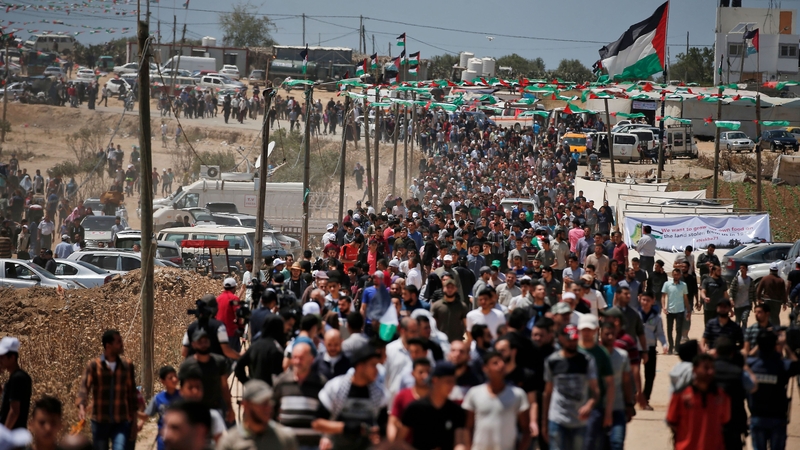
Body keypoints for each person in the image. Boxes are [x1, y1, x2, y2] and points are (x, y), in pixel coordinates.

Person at [312, 343, 390, 450]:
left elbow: (384, 426)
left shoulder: (379, 393)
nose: (377, 370)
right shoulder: (335, 387)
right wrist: (346, 428)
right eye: (373, 365)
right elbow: (317, 423)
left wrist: (377, 434)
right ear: (360, 366)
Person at [77, 330, 138, 450]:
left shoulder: (127, 366)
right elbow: (84, 389)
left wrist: (134, 422)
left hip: (121, 420)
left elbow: (132, 395)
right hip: (100, 421)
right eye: (118, 342)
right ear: (108, 346)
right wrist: (82, 408)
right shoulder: (94, 366)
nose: (122, 344)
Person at [542, 324, 599, 450]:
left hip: (579, 421)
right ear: (561, 339)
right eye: (569, 340)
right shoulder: (552, 361)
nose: (573, 343)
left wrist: (589, 405)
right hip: (557, 419)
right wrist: (544, 424)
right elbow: (547, 393)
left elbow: (595, 391)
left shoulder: (586, 360)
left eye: (574, 340)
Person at [463, 351, 531, 450]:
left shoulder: (518, 395)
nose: (501, 365)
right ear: (485, 368)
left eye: (503, 362)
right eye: (495, 363)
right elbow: (468, 427)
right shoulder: (474, 393)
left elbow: (526, 430)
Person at [746, 330, 800, 450]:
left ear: (759, 345)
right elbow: (796, 365)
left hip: (757, 416)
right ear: (775, 345)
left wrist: (757, 346)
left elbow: (744, 360)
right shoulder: (782, 365)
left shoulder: (752, 365)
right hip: (777, 417)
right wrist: (785, 345)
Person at [398, 361, 467, 450]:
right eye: (448, 381)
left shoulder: (456, 411)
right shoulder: (415, 408)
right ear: (435, 380)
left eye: (453, 382)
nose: (452, 386)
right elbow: (399, 440)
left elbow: (460, 442)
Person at [667, 354, 730, 450]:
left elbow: (724, 421)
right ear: (694, 369)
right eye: (706, 368)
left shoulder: (721, 396)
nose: (710, 371)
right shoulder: (681, 395)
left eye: (712, 368)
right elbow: (672, 421)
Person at [272, 341, 327, 448]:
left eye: (301, 358)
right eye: (295, 357)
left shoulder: (321, 383)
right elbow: (272, 410)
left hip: (313, 445)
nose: (297, 361)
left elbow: (329, 414)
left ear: (311, 360)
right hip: (286, 445)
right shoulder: (282, 382)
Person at [218, 380, 298, 450]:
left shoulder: (285, 438)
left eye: (269, 402)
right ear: (245, 405)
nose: (268, 408)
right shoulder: (230, 442)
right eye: (262, 403)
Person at [179, 329, 234, 425]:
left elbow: (224, 386)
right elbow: (183, 391)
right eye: (200, 342)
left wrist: (230, 408)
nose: (203, 345)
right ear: (193, 345)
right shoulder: (187, 366)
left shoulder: (219, 362)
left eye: (205, 341)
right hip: (195, 411)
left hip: (215, 408)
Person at [576, 315, 614, 450]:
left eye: (589, 330)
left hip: (595, 408)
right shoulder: (572, 350)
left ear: (596, 330)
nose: (586, 333)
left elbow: (610, 384)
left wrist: (608, 412)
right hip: (572, 407)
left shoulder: (601, 353)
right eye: (584, 329)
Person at [599, 322, 634, 450]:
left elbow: (626, 382)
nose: (609, 337)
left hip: (618, 408)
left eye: (612, 334)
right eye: (606, 334)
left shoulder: (622, 356)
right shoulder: (593, 356)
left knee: (617, 444)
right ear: (600, 334)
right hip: (598, 410)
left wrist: (629, 404)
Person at [138, 366, 181, 450]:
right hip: (164, 440)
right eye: (170, 378)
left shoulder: (183, 397)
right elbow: (145, 416)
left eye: (175, 376)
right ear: (163, 381)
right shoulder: (158, 398)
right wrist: (132, 412)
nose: (174, 379)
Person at [638, 291, 667, 410]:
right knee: (632, 373)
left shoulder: (656, 316)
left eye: (648, 300)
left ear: (652, 301)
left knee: (650, 375)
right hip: (635, 348)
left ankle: (645, 400)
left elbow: (660, 333)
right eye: (643, 300)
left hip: (650, 348)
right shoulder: (635, 315)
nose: (645, 302)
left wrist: (664, 344)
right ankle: (631, 399)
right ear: (640, 300)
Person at [0, 337, 31, 430]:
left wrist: (4, 435)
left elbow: (14, 411)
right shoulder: (16, 377)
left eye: (2, 357)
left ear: (12, 357)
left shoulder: (18, 378)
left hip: (13, 435)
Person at [662, 268, 690, 354]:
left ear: (680, 275)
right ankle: (671, 346)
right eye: (674, 274)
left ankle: (677, 347)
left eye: (677, 275)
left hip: (680, 310)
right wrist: (664, 307)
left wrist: (688, 310)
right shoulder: (667, 284)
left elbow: (685, 298)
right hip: (670, 310)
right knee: (669, 330)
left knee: (678, 330)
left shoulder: (683, 285)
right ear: (672, 275)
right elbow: (663, 296)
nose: (676, 276)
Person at [755, 262, 788, 327]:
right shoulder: (780, 280)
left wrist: (758, 299)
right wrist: (784, 303)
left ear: (770, 270)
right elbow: (783, 293)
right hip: (777, 302)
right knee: (775, 317)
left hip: (767, 300)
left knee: (767, 316)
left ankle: (767, 330)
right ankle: (777, 330)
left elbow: (759, 290)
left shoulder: (765, 278)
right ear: (777, 270)